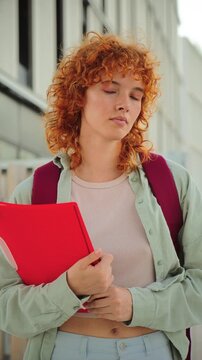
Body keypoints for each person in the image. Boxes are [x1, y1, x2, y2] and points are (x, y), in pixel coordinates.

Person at [0, 32, 202, 360]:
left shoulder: (172, 182)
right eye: (110, 90)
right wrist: (69, 289)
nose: (125, 104)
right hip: (64, 350)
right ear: (78, 96)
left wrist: (136, 304)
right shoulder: (35, 193)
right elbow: (6, 306)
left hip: (152, 350)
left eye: (136, 96)